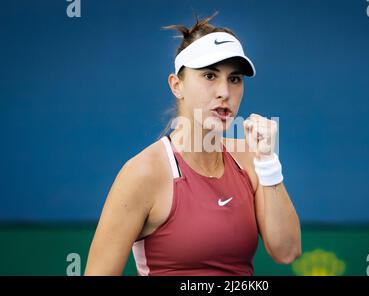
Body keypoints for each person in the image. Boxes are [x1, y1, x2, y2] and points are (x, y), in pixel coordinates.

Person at [85, 12, 301, 276]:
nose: (224, 92)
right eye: (210, 76)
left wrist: (268, 161)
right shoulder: (143, 173)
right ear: (177, 86)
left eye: (234, 79)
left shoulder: (250, 158)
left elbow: (287, 251)